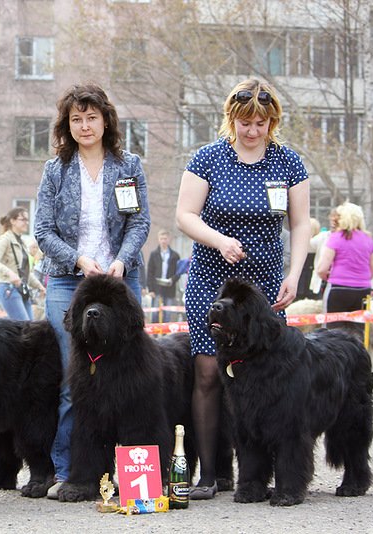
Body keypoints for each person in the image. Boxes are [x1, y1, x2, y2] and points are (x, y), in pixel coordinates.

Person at [175, 78, 310, 499]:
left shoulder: (289, 163)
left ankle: (259, 475)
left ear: (273, 122)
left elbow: (301, 223)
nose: (252, 130)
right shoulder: (208, 158)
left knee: (266, 377)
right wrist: (219, 240)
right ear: (230, 119)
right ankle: (211, 474)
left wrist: (295, 274)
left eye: (260, 123)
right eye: (244, 122)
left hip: (266, 285)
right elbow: (184, 215)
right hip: (212, 283)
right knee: (210, 373)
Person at [33, 83, 150, 498]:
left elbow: (139, 223)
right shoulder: (55, 170)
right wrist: (79, 260)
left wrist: (122, 259)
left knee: (128, 379)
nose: (84, 126)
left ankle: (132, 472)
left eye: (91, 117)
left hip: (120, 283)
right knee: (74, 380)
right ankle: (71, 471)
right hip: (69, 282)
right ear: (67, 125)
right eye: (76, 119)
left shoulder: (129, 165)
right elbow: (42, 230)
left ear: (106, 121)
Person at [316, 202, 373, 339]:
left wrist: (329, 277)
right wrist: (361, 278)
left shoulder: (336, 238)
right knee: (357, 332)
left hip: (338, 289)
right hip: (363, 291)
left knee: (332, 331)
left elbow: (321, 268)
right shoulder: (368, 239)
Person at [0, 207, 46, 321]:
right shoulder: (4, 239)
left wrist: (40, 287)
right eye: (23, 219)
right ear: (13, 221)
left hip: (22, 289)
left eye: (27, 219)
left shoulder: (22, 242)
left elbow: (25, 273)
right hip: (8, 288)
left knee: (29, 328)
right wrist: (10, 274)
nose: (27, 222)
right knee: (23, 328)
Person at [146, 229, 181, 323]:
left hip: (169, 288)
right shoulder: (154, 254)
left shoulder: (175, 255)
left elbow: (178, 272)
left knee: (168, 314)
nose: (163, 241)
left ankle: (166, 336)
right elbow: (150, 272)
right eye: (161, 238)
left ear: (168, 239)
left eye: (165, 238)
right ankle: (155, 336)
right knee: (155, 314)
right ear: (158, 239)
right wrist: (151, 289)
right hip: (156, 288)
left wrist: (172, 280)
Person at [309, 208, 339, 300]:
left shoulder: (348, 239)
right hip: (322, 281)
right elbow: (308, 246)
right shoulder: (324, 237)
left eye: (336, 221)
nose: (333, 223)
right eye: (332, 220)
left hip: (339, 281)